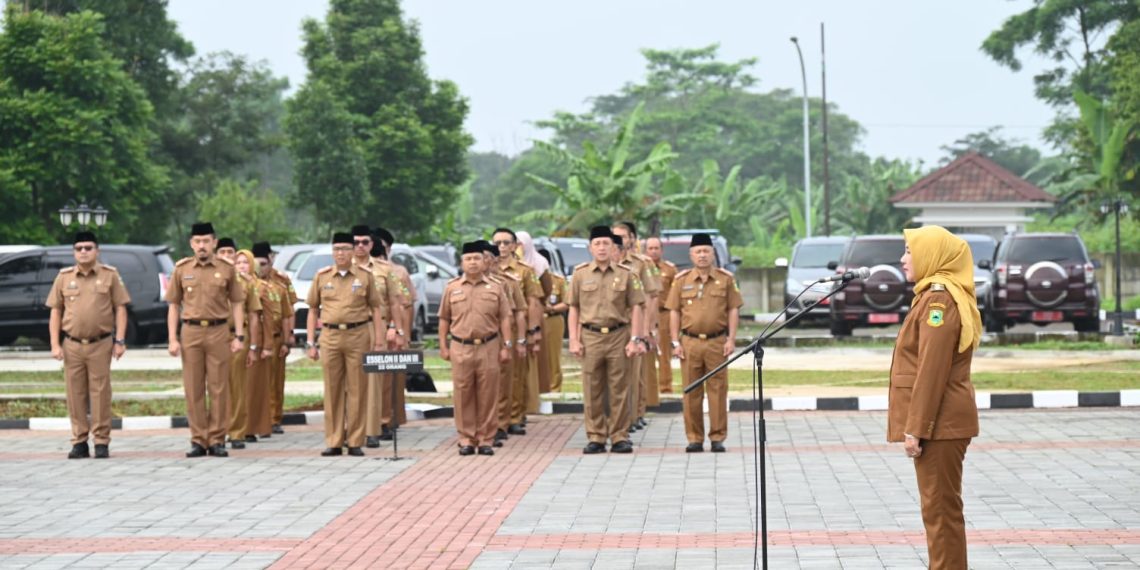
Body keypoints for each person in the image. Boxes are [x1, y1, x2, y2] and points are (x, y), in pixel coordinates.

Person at [889, 225, 980, 570]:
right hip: (941, 422)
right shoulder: (934, 295)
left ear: (933, 254)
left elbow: (932, 370)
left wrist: (916, 428)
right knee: (940, 509)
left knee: (940, 511)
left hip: (941, 423)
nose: (903, 259)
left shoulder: (939, 299)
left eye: (910, 251)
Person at [46, 231, 131, 459]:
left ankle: (101, 441)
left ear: (97, 250)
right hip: (72, 344)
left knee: (100, 393)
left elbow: (120, 308)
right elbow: (56, 311)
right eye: (79, 248)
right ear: (74, 252)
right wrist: (55, 344)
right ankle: (79, 441)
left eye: (88, 247)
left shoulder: (109, 275)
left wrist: (120, 340)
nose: (83, 252)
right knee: (75, 394)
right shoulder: (64, 277)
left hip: (100, 343)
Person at [166, 222, 245, 458]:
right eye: (197, 242)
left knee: (219, 387)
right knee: (193, 388)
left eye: (206, 241)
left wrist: (239, 335)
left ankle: (217, 439)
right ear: (191, 243)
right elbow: (172, 306)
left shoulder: (226, 268)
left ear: (214, 242)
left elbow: (238, 303)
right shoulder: (181, 269)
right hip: (190, 331)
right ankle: (199, 439)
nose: (201, 246)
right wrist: (172, 338)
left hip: (219, 331)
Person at [305, 232, 388, 457]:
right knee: (332, 389)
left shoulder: (364, 276)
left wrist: (379, 341)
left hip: (358, 335)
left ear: (353, 251)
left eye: (344, 248)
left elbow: (376, 309)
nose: (340, 253)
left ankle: (354, 440)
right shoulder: (322, 277)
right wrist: (311, 342)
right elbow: (313, 310)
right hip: (330, 336)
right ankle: (333, 440)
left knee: (357, 389)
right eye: (336, 249)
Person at [568, 226, 645, 454]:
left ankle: (620, 435)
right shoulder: (580, 274)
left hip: (619, 335)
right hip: (590, 336)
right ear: (590, 248)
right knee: (592, 388)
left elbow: (636, 308)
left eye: (606, 244)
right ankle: (596, 436)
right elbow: (573, 308)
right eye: (597, 244)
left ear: (614, 247)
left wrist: (635, 339)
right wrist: (574, 338)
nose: (602, 248)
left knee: (619, 387)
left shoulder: (626, 274)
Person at [666, 233, 742, 453]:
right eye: (698, 251)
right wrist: (674, 342)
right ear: (691, 255)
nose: (702, 255)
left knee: (718, 391)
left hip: (717, 342)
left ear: (713, 254)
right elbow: (674, 312)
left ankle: (718, 437)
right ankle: (695, 437)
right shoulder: (681, 281)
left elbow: (733, 309)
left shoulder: (725, 279)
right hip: (689, 343)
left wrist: (731, 339)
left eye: (706, 251)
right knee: (691, 392)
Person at [438, 242, 513, 456]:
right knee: (463, 394)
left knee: (488, 394)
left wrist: (506, 346)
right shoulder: (452, 287)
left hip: (489, 346)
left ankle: (486, 438)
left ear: (484, 261)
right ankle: (466, 438)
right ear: (462, 263)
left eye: (477, 259)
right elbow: (444, 319)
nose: (472, 263)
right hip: (460, 346)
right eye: (468, 259)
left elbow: (504, 318)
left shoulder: (496, 287)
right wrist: (443, 346)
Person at [349, 226, 403, 448]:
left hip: (376, 328)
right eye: (356, 242)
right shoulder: (341, 269)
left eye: (364, 242)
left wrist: (396, 329)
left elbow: (395, 301)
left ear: (371, 245)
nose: (360, 246)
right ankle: (352, 428)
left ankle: (374, 428)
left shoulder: (383, 269)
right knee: (351, 381)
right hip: (350, 330)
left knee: (375, 381)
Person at [492, 228, 542, 435]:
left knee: (515, 375)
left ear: (514, 246)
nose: (501, 247)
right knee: (495, 375)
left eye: (506, 243)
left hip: (514, 327)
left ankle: (514, 416)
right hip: (491, 328)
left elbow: (533, 302)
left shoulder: (525, 271)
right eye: (497, 243)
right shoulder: (488, 268)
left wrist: (533, 331)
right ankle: (497, 417)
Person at [611, 222, 660, 433]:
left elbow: (650, 297)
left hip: (635, 323)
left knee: (635, 373)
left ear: (632, 238)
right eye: (615, 236)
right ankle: (618, 416)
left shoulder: (641, 263)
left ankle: (634, 414)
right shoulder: (606, 261)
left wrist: (648, 328)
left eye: (623, 236)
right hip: (614, 324)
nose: (619, 240)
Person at [481, 240, 527, 447]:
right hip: (476, 339)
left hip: (501, 337)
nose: (481, 262)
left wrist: (519, 341)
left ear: (494, 261)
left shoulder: (507, 283)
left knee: (502, 383)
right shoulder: (460, 283)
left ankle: (500, 424)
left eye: (485, 257)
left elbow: (519, 314)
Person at [372, 227, 412, 440]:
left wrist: (402, 333)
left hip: (389, 330)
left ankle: (386, 420)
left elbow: (405, 304)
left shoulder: (396, 272)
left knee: (389, 380)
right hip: (364, 331)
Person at [258, 241, 297, 435]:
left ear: (271, 260)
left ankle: (274, 419)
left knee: (275, 381)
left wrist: (288, 337)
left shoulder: (281, 280)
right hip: (253, 338)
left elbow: (289, 311)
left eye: (264, 262)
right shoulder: (246, 282)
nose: (260, 268)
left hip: (275, 336)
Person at [225, 249, 262, 449]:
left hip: (239, 336)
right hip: (216, 335)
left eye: (243, 262)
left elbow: (255, 316)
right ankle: (218, 430)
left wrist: (253, 346)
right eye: (236, 261)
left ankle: (237, 432)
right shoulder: (218, 280)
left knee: (236, 386)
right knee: (216, 386)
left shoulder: (248, 284)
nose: (239, 265)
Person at [516, 231, 552, 402]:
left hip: (533, 314)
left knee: (532, 357)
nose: (517, 248)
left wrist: (539, 304)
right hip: (514, 317)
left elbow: (547, 288)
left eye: (520, 244)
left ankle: (533, 398)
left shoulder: (539, 263)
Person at [645, 236, 678, 393]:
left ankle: (665, 387)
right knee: (646, 354)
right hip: (645, 314)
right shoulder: (640, 268)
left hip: (663, 314)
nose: (653, 251)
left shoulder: (670, 269)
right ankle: (648, 389)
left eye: (656, 248)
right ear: (645, 250)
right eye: (650, 248)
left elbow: (676, 294)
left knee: (664, 353)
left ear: (661, 250)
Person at [538, 249, 567, 392]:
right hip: (534, 322)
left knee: (553, 356)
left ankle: (555, 389)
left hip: (553, 320)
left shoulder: (558, 281)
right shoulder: (529, 279)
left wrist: (552, 309)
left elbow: (567, 302)